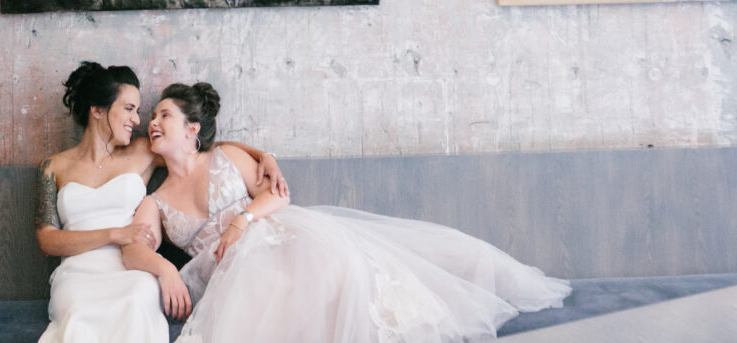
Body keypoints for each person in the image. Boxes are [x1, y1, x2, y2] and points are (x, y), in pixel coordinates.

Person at [123, 82, 572, 343]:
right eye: (151, 119)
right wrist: (164, 268)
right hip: (228, 275)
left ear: (192, 129)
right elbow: (132, 249)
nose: (153, 123)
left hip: (273, 235)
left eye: (164, 115)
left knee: (330, 265)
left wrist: (242, 222)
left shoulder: (227, 157)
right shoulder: (155, 200)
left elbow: (278, 196)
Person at [35, 62, 286, 343]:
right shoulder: (52, 167)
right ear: (98, 109)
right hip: (79, 270)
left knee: (138, 294)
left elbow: (199, 148)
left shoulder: (143, 150)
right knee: (79, 313)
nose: (138, 121)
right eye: (129, 109)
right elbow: (47, 240)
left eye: (140, 112)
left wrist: (265, 155)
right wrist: (115, 234)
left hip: (129, 267)